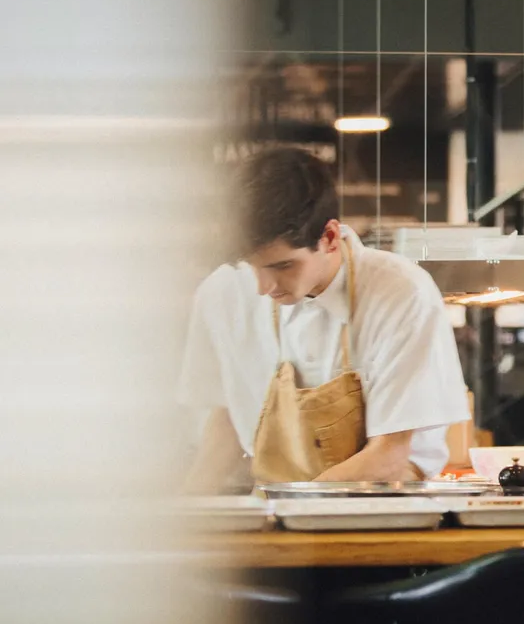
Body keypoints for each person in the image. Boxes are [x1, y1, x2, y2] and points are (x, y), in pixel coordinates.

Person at [179, 148, 469, 487]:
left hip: (381, 505)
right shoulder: (222, 292)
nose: (262, 287)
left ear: (329, 237)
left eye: (282, 266)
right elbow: (226, 416)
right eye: (251, 266)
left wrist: (295, 507)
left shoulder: (401, 293)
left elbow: (389, 457)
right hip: (272, 501)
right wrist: (187, 509)